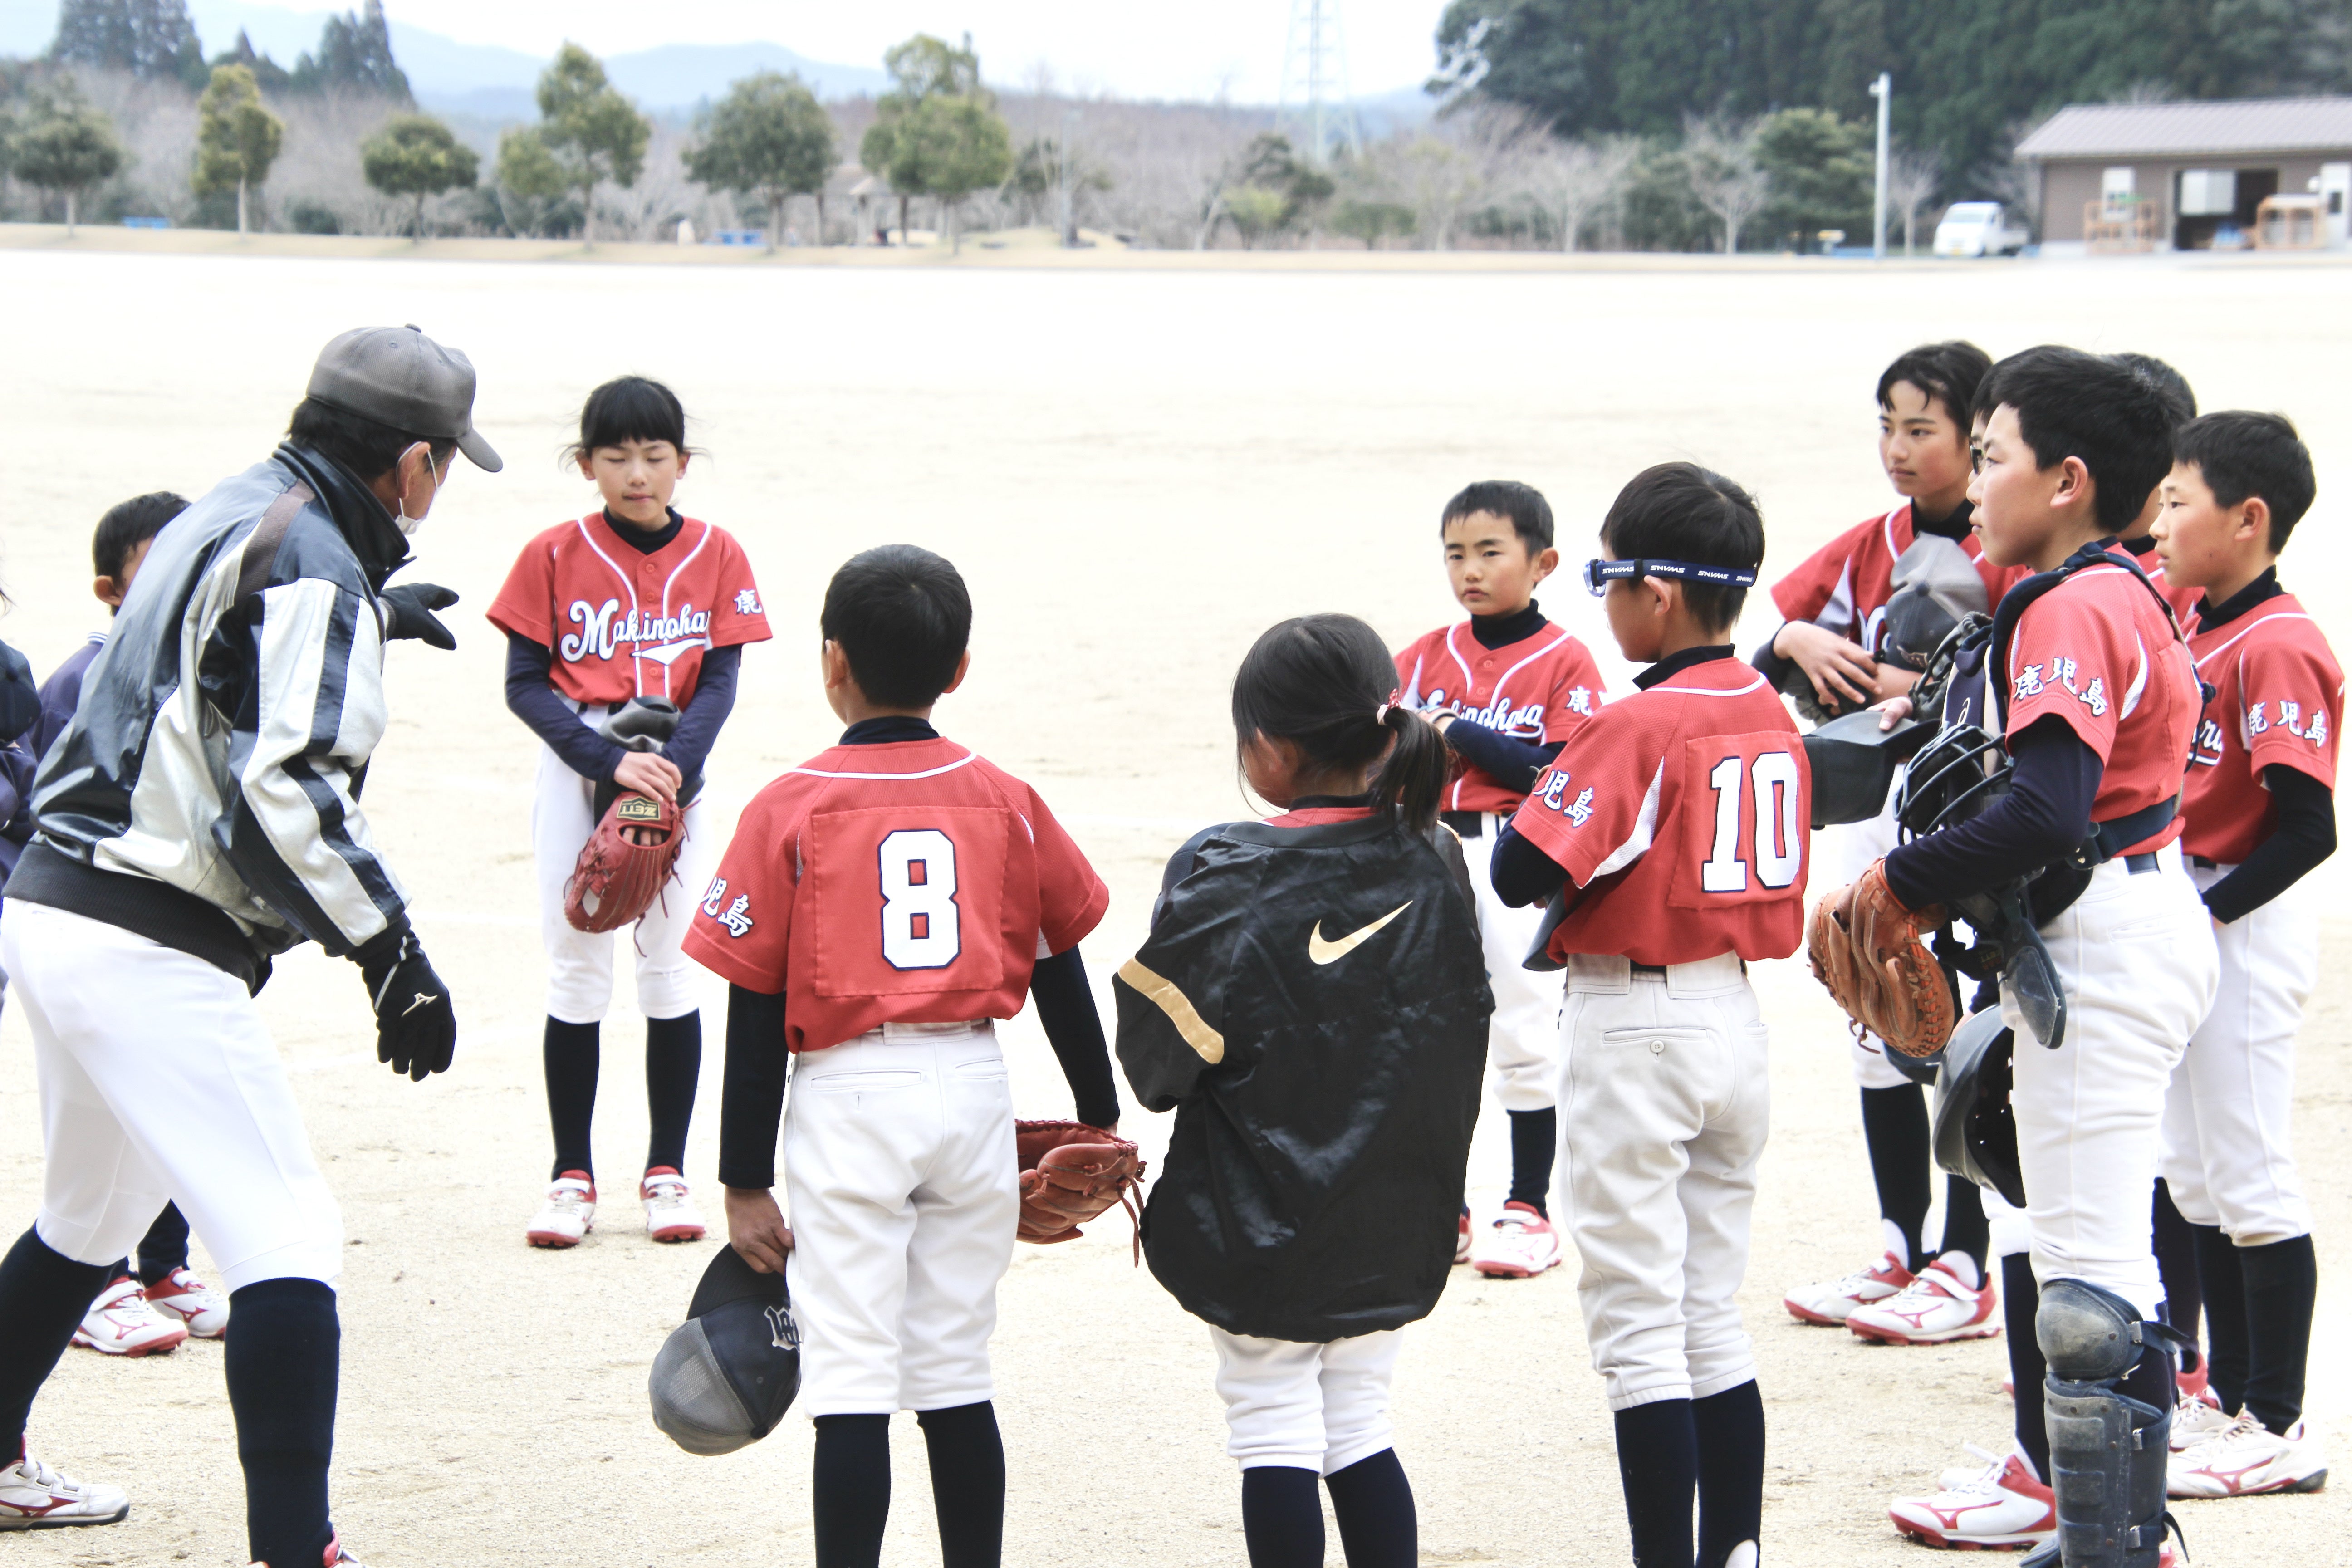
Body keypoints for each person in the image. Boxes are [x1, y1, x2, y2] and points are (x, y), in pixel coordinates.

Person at [0, 324, 493, 1563]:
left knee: (91, 1211)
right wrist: (390, 951)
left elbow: (206, 640)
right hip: (146, 936)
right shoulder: (317, 567)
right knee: (288, 1238)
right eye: (442, 468)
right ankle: (294, 1545)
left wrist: (365, 608)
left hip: (55, 902)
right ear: (415, 463)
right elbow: (289, 789)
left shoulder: (230, 503)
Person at [686, 545, 1117, 1568]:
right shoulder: (1004, 795)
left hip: (849, 1094)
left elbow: (756, 1007)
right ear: (958, 668)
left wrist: (743, 1179)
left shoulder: (790, 803)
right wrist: (1098, 1110)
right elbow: (1059, 962)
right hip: (972, 1083)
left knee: (851, 1378)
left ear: (832, 661)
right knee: (955, 1371)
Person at [1869, 347, 2215, 1564]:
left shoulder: (2070, 604)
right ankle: (2110, 1533)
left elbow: (2047, 810)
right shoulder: (2123, 586)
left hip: (2101, 942)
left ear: (2067, 481)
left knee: (2088, 1284)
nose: (1972, 484)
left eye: (1991, 456)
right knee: (2091, 1258)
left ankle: (2118, 1546)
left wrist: (1891, 885)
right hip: (2125, 921)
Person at [1118, 613, 1490, 1568]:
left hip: (1261, 1221)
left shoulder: (1232, 871)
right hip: (1394, 1210)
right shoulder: (1441, 855)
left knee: (1273, 1422)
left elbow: (1155, 1068)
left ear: (1272, 749)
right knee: (1360, 1421)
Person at [1490, 461, 1800, 1568]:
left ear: (1657, 594)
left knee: (1637, 1328)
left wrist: (1528, 775)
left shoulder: (1639, 720)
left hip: (1636, 1023)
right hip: (1734, 1018)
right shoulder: (1765, 705)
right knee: (1709, 1312)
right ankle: (1737, 1550)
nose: (1604, 600)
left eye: (1606, 578)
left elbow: (1522, 872)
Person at [486, 376, 772, 1249]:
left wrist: (673, 771)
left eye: (654, 456)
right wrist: (607, 762)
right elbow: (525, 685)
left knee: (671, 970)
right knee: (577, 966)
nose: (637, 474)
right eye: (616, 458)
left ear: (683, 462)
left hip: (679, 774)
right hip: (580, 773)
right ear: (586, 465)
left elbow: (719, 681)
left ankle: (666, 1173)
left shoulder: (718, 553)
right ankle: (571, 1176)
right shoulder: (551, 554)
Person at [1766, 342, 2007, 1339]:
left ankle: (1965, 1260)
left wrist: (1928, 684)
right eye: (1887, 427)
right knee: (1877, 1018)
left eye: (1921, 429)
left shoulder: (2009, 545)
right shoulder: (1873, 543)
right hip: (1873, 801)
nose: (1898, 449)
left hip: (1971, 807)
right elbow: (1774, 642)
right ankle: (1901, 1244)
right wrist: (1792, 641)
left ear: (1977, 438)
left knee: (1966, 1033)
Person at [2146, 411, 2334, 1498]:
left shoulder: (2280, 642)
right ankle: (2225, 1400)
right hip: (2193, 907)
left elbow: (2308, 829)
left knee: (2252, 1172)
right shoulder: (2194, 619)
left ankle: (2280, 1421)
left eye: (2180, 502)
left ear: (2248, 518)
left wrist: (2206, 917)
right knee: (2196, 1173)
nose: (2161, 523)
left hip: (2242, 920)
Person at [25, 493, 232, 1357]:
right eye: (158, 560)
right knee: (103, 1110)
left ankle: (162, 1267)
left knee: (174, 1100)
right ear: (110, 590)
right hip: (96, 928)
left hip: (181, 924)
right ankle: (97, 1283)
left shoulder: (209, 670)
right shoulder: (80, 680)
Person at [1392, 481, 1602, 1278]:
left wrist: (1459, 732)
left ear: (1542, 562)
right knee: (1423, 1030)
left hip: (1513, 852)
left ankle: (1528, 1207)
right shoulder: (1421, 657)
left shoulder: (1566, 659)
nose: (1470, 570)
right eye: (1455, 554)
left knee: (1523, 1027)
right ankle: (1442, 1206)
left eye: (1490, 552)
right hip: (1424, 848)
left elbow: (1557, 769)